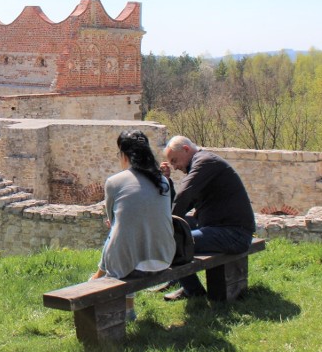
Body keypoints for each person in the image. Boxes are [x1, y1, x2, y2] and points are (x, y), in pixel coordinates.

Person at [90, 130, 176, 321]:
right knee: (121, 235)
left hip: (129, 266)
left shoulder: (114, 182)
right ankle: (102, 279)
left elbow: (112, 220)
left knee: (116, 235)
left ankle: (121, 302)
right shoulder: (163, 181)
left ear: (125, 155)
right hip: (164, 258)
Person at [161, 136, 256, 301]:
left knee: (171, 245)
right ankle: (184, 285)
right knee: (173, 239)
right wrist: (166, 181)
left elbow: (184, 196)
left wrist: (168, 227)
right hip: (223, 229)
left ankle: (194, 292)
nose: (175, 167)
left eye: (175, 161)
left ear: (185, 149)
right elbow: (184, 203)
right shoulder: (202, 165)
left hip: (234, 234)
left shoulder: (205, 162)